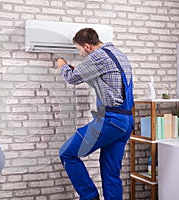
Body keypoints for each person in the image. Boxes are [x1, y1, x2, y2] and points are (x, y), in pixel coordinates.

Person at [57, 28, 134, 200]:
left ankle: (90, 196)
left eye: (79, 50)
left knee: (67, 153)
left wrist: (62, 65)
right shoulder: (118, 54)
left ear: (87, 46)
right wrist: (80, 69)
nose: (82, 55)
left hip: (111, 121)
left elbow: (72, 78)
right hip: (126, 121)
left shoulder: (97, 56)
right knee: (110, 171)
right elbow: (106, 83)